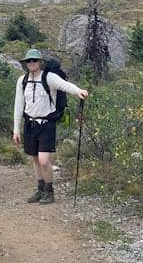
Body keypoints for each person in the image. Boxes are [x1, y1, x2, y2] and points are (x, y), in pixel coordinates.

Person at [13, 48, 88, 204]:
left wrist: (78, 91)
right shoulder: (22, 80)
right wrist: (16, 129)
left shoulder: (49, 78)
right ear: (26, 63)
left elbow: (64, 85)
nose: (31, 63)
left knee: (44, 160)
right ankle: (40, 190)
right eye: (29, 61)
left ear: (41, 63)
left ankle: (49, 191)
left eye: (34, 60)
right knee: (34, 158)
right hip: (30, 124)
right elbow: (18, 105)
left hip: (47, 124)